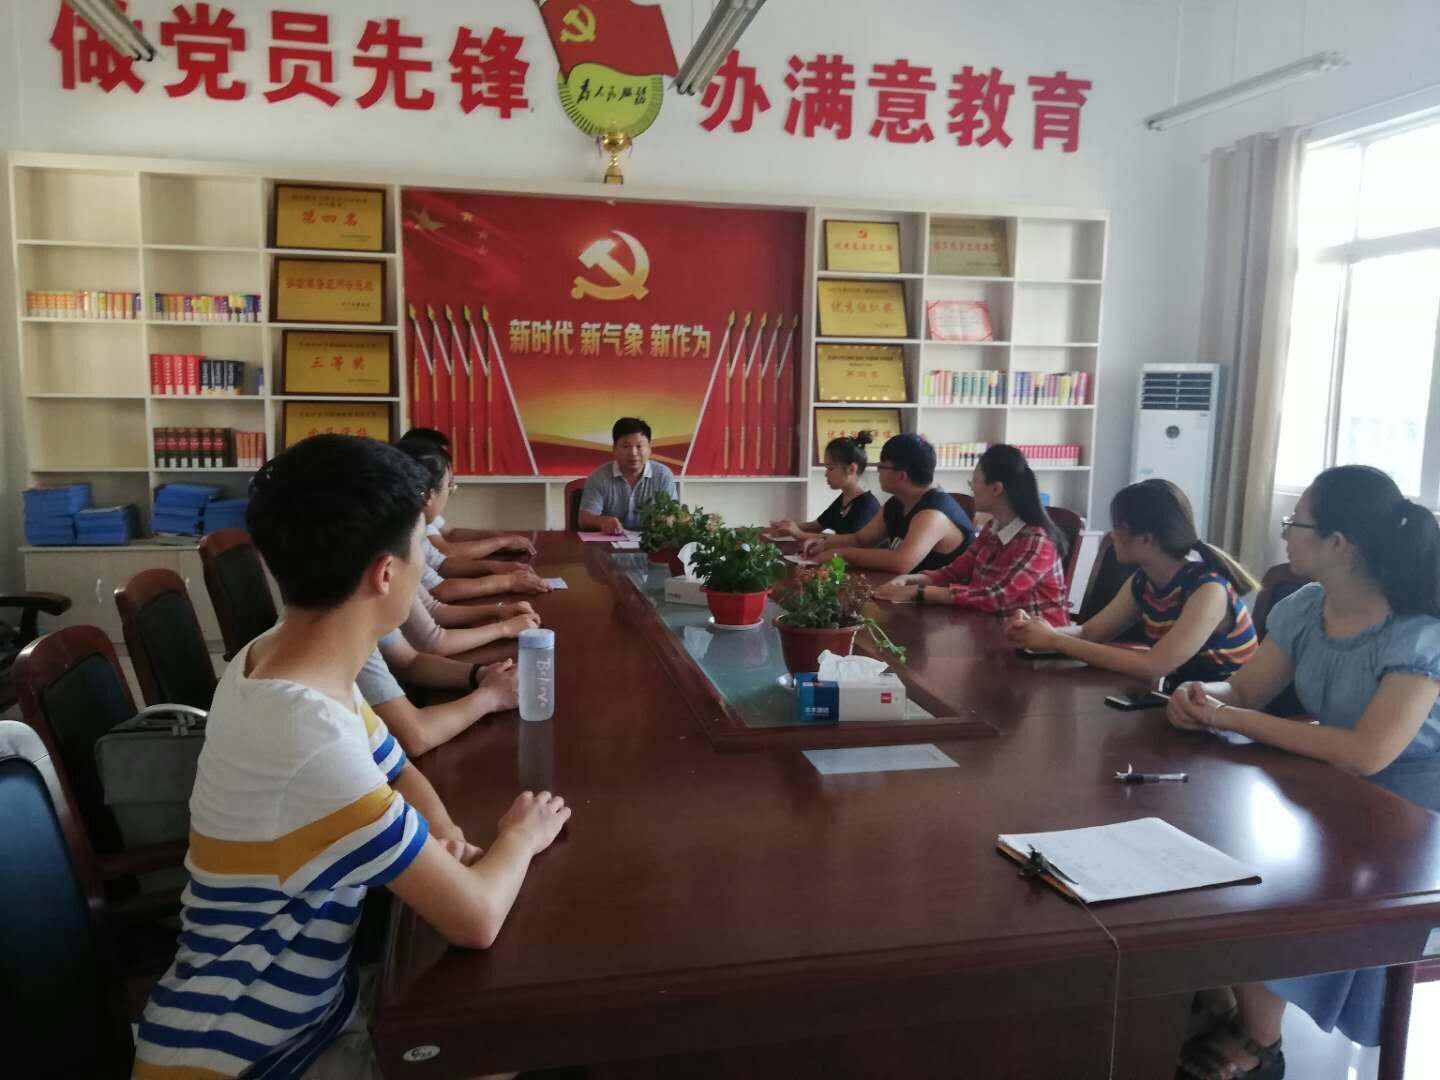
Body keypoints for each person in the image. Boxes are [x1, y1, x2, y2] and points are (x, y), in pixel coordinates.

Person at [132, 435, 571, 1080]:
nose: (425, 566)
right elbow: (476, 917)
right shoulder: (307, 734)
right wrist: (520, 837)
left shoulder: (280, 659)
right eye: (420, 548)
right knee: (507, 1045)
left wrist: (444, 835)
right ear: (385, 574)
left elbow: (398, 767)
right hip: (252, 1057)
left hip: (309, 1007)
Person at [1165, 466, 1440, 1079]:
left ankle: (1260, 1040)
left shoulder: (1419, 634)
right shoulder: (1307, 606)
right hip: (1332, 785)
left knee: (1277, 886)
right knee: (1211, 851)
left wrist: (1231, 717)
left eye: (1297, 523)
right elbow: (1246, 689)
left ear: (1340, 543)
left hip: (1416, 814)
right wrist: (1201, 695)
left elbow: (1368, 753)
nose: (1285, 533)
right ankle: (1220, 995)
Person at [1006, 478, 1258, 687]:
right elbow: (1089, 633)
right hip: (1185, 703)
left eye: (1118, 527)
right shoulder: (1143, 581)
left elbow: (1153, 666)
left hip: (1226, 717)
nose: (1112, 535)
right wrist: (1037, 631)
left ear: (1146, 539)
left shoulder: (1208, 590)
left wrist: (1054, 640)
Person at [873, 444, 1070, 625]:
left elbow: (995, 597)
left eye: (974, 481)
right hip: (990, 628)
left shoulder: (1038, 542)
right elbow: (953, 573)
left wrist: (919, 592)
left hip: (1037, 643)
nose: (971, 487)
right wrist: (909, 580)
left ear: (996, 488)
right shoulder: (992, 528)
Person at [395, 438, 552, 601]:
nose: (451, 493)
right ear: (428, 494)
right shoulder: (402, 531)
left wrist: (496, 567)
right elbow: (439, 589)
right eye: (449, 486)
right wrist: (508, 582)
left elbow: (442, 563)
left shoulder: (415, 523)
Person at [801, 433, 973, 573]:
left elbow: (901, 562)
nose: (878, 472)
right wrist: (824, 543)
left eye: (882, 467)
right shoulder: (896, 503)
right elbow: (861, 539)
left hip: (940, 601)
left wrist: (841, 554)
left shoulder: (933, 514)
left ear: (901, 475)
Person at [358, 631, 518, 757]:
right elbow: (415, 736)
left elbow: (410, 662)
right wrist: (492, 696)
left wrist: (480, 674)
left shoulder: (369, 614)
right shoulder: (352, 637)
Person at [769, 431, 881, 542]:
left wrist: (800, 534)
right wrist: (787, 527)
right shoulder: (844, 499)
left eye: (830, 468)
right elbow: (816, 526)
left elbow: (847, 541)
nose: (826, 474)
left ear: (851, 469)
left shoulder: (867, 505)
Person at [577, 417, 679, 535]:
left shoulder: (663, 475)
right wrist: (602, 521)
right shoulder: (599, 477)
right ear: (614, 449)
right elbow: (584, 520)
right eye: (626, 446)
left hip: (651, 542)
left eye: (639, 446)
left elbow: (674, 515)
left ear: (649, 449)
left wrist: (666, 520)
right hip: (609, 542)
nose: (633, 453)